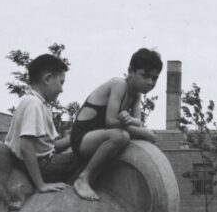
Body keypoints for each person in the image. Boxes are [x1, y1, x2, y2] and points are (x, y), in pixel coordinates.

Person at [69, 49, 161, 200]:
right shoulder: (119, 84)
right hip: (82, 139)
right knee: (121, 136)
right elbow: (111, 122)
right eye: (145, 75)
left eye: (154, 78)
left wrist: (134, 123)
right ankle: (83, 178)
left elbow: (137, 124)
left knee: (127, 136)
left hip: (99, 135)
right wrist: (144, 132)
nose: (150, 82)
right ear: (131, 71)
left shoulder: (136, 94)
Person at [4, 53, 82, 196]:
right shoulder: (34, 104)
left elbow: (50, 146)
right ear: (47, 79)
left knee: (80, 149)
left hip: (40, 162)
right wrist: (41, 185)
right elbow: (26, 146)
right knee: (86, 155)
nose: (61, 89)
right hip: (42, 167)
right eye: (61, 82)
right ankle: (70, 193)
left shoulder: (33, 101)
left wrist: (78, 136)